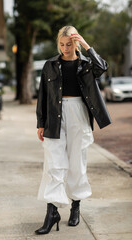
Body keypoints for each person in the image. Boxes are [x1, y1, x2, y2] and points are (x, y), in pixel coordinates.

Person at [35, 26, 111, 235]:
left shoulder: (86, 64)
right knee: (54, 164)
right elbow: (43, 95)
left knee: (77, 163)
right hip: (54, 116)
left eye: (69, 44)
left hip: (78, 114)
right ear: (57, 43)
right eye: (61, 44)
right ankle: (52, 213)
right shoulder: (50, 65)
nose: (65, 48)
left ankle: (76, 205)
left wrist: (87, 46)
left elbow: (102, 67)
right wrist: (40, 123)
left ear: (75, 44)